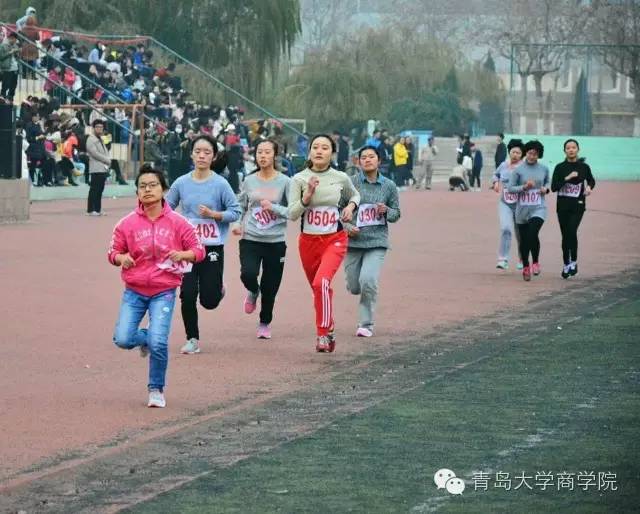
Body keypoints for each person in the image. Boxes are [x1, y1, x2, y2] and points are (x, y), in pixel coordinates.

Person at [109, 164, 205, 408]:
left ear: (163, 190)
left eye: (153, 185)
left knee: (159, 342)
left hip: (164, 291)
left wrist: (183, 255)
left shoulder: (179, 223)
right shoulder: (126, 224)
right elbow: (113, 252)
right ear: (137, 193)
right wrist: (121, 258)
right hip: (134, 290)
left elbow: (199, 250)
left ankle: (156, 389)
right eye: (142, 186)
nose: (147, 190)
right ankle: (144, 340)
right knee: (122, 339)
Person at [166, 134, 241, 355]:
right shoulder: (181, 183)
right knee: (187, 294)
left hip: (212, 247)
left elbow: (235, 211)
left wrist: (214, 214)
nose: (201, 155)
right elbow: (167, 208)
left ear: (213, 156)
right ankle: (192, 339)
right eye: (197, 151)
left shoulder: (220, 184)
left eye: (207, 152)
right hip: (188, 249)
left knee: (209, 301)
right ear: (191, 154)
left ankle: (218, 289)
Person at [289, 134, 360, 353]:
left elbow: (355, 196)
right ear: (309, 151)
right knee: (319, 289)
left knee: (322, 283)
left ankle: (322, 335)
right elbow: (292, 214)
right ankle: (329, 327)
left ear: (332, 153)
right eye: (315, 147)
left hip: (334, 239)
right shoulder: (299, 179)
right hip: (308, 242)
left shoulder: (340, 177)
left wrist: (350, 207)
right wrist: (307, 196)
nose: (319, 151)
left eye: (325, 148)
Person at [232, 140, 290, 339]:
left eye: (267, 152)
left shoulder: (285, 182)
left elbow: (293, 211)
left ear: (275, 155)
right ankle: (253, 290)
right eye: (259, 152)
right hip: (251, 238)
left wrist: (273, 208)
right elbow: (240, 205)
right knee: (248, 274)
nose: (263, 156)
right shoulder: (249, 180)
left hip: (275, 241)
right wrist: (237, 223)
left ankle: (264, 323)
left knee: (270, 286)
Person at [343, 146, 400, 337]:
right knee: (354, 286)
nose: (367, 160)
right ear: (358, 162)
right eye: (364, 157)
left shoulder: (389, 186)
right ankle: (358, 286)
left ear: (379, 161)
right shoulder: (350, 183)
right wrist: (347, 226)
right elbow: (338, 209)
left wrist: (387, 211)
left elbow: (396, 214)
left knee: (368, 280)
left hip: (377, 242)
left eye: (371, 157)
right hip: (353, 241)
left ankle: (365, 324)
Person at [551, 139, 596, 279]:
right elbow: (554, 187)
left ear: (578, 149)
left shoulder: (584, 167)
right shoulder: (559, 167)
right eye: (568, 148)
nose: (571, 150)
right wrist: (567, 178)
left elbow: (591, 180)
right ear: (564, 151)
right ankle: (566, 263)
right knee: (565, 235)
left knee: (571, 230)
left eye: (573, 147)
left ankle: (574, 261)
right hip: (562, 206)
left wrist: (589, 187)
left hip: (578, 204)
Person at [507, 140, 550, 281]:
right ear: (526, 153)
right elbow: (510, 188)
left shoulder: (544, 169)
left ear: (539, 155)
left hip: (538, 207)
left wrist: (545, 189)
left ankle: (535, 262)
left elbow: (547, 182)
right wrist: (524, 187)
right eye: (530, 153)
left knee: (533, 233)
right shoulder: (518, 170)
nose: (532, 156)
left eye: (535, 154)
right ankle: (526, 266)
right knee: (524, 240)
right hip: (522, 210)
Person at [492, 139, 524, 270]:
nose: (515, 155)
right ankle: (503, 259)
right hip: (505, 202)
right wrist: (495, 183)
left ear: (522, 155)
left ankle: (522, 258)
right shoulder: (503, 165)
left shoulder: (524, 167)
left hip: (520, 204)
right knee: (506, 229)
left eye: (518, 153)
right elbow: (496, 174)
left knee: (520, 233)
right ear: (509, 152)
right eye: (513, 152)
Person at [86, 119, 111, 216]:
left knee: (100, 189)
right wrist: (106, 160)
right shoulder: (91, 139)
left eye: (101, 127)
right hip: (96, 168)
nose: (100, 129)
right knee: (94, 189)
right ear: (93, 128)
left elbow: (105, 151)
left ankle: (98, 209)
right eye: (98, 127)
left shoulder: (101, 139)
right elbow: (94, 153)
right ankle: (91, 209)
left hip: (102, 168)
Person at [0, 32, 20, 103]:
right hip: (7, 69)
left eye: (16, 40)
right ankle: (2, 100)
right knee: (5, 86)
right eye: (14, 39)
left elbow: (17, 57)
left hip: (15, 68)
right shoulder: (3, 45)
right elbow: (1, 57)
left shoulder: (15, 46)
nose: (15, 41)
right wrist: (10, 52)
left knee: (13, 86)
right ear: (10, 38)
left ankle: (10, 100)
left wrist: (17, 53)